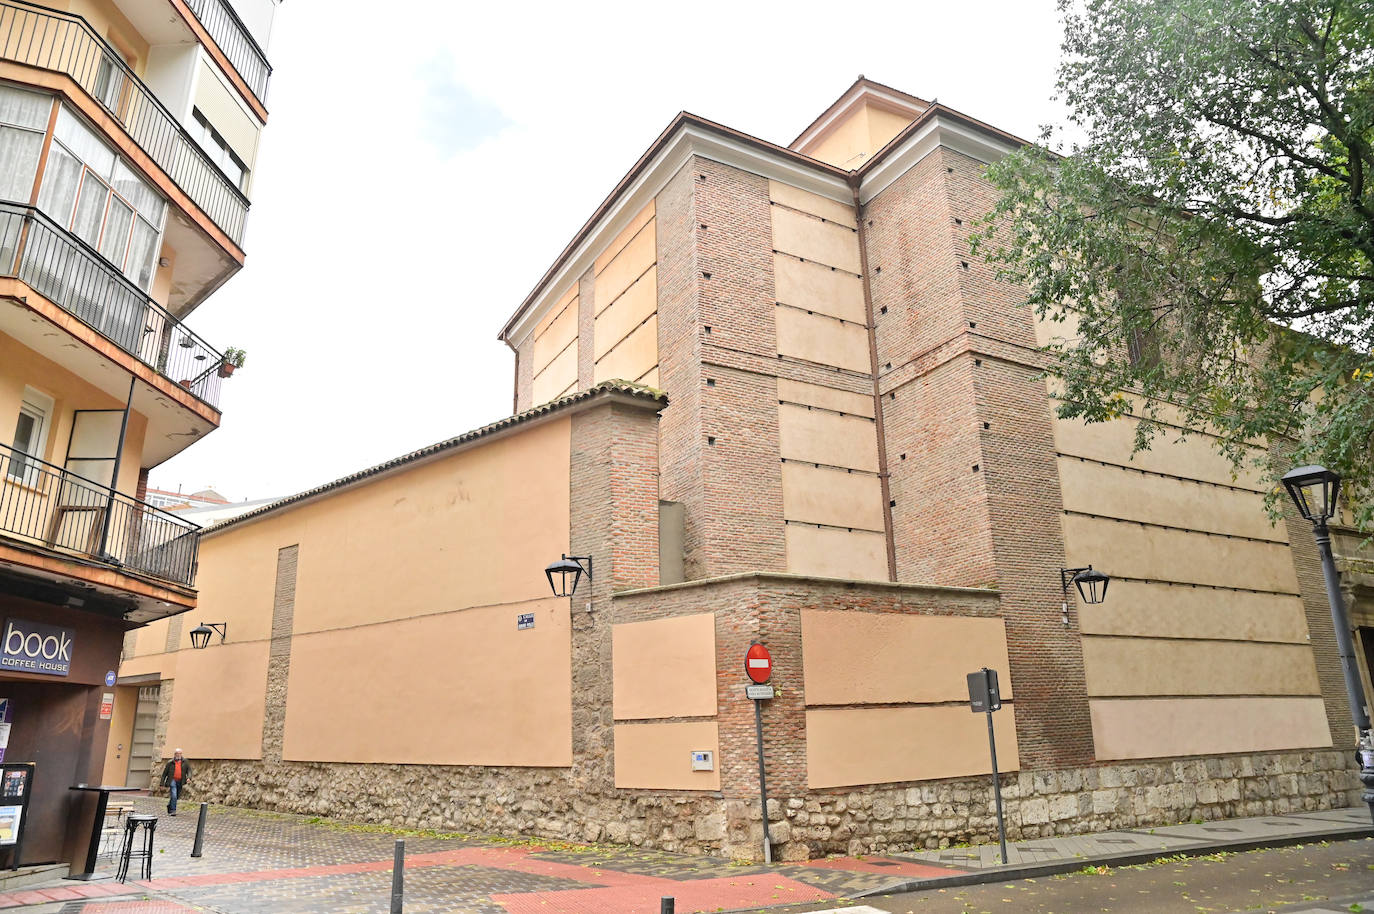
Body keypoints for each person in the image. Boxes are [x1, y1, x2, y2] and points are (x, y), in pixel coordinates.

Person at [159, 749, 191, 815]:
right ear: (174, 754)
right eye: (177, 753)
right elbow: (164, 774)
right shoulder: (170, 763)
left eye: (179, 753)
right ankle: (173, 810)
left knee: (177, 796)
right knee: (174, 795)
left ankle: (169, 805)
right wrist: (161, 784)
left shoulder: (185, 762)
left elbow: (189, 771)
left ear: (181, 754)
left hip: (181, 781)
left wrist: (189, 777)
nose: (178, 755)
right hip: (172, 780)